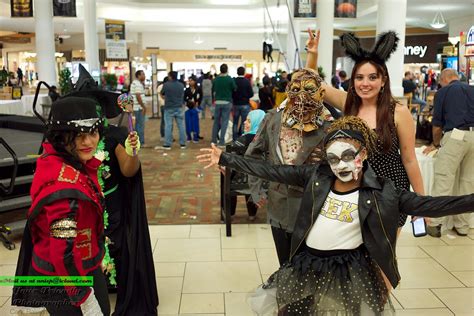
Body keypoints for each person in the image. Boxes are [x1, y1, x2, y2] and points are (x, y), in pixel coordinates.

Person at [197, 116, 474, 315]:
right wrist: (226, 158)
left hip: (349, 268)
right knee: (294, 310)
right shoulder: (317, 176)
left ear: (363, 153)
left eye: (347, 156)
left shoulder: (383, 192)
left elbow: (435, 205)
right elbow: (273, 170)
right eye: (332, 158)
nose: (340, 165)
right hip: (307, 262)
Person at [306, 30, 425, 233]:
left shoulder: (398, 112)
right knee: (355, 254)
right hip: (352, 188)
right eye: (359, 77)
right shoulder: (348, 103)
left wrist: (421, 203)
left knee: (383, 255)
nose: (365, 84)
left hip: (389, 189)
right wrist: (313, 54)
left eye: (372, 77)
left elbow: (409, 159)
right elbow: (313, 84)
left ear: (383, 80)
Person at [65, 65, 159, 314]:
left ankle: (114, 284)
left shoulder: (115, 134)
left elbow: (129, 170)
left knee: (114, 245)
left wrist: (133, 151)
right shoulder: (67, 139)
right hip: (81, 206)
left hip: (111, 203)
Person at [12, 97, 111, 315]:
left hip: (83, 263)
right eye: (78, 136)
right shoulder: (63, 189)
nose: (88, 142)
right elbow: (63, 251)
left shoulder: (69, 162)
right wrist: (84, 298)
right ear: (61, 138)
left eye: (93, 133)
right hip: (64, 278)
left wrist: (96, 252)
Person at [245, 67, 340, 265]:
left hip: (314, 207)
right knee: (285, 263)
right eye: (295, 89)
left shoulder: (331, 125)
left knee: (311, 265)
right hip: (279, 205)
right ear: (288, 90)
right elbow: (253, 154)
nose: (302, 95)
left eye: (309, 89)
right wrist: (256, 189)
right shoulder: (273, 119)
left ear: (321, 92)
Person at [423, 68, 474, 237]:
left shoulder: (443, 92)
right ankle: (462, 226)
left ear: (444, 79)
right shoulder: (471, 89)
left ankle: (436, 223)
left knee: (444, 178)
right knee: (467, 182)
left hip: (456, 135)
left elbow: (437, 124)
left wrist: (436, 144)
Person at [226, 109, 267, 221]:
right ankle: (252, 214)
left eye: (249, 121)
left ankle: (230, 212)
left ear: (256, 123)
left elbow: (230, 159)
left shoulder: (242, 140)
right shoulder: (267, 140)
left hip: (241, 181)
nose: (244, 122)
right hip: (264, 180)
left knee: (228, 175)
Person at [158, 71, 187, 150]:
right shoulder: (181, 85)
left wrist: (165, 98)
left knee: (168, 125)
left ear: (170, 76)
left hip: (169, 107)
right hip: (179, 107)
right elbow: (182, 95)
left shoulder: (166, 85)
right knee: (181, 125)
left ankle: (167, 144)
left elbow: (161, 93)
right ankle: (183, 143)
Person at [212, 64, 236, 147]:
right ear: (227, 70)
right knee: (224, 122)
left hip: (217, 101)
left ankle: (213, 140)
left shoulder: (216, 79)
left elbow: (213, 90)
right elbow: (234, 88)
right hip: (227, 101)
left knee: (216, 121)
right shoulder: (229, 79)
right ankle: (221, 141)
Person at [232, 66, 254, 140]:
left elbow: (232, 92)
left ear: (237, 72)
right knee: (243, 122)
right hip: (245, 104)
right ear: (244, 73)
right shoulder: (247, 81)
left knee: (235, 122)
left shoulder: (234, 81)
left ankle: (234, 138)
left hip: (235, 104)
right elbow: (251, 94)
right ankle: (241, 138)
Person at [130, 70, 147, 146]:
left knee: (137, 125)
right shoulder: (137, 84)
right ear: (138, 76)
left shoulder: (137, 83)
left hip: (137, 107)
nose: (144, 76)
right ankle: (140, 142)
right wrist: (143, 106)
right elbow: (138, 96)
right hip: (138, 107)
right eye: (143, 74)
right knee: (140, 125)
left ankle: (137, 141)